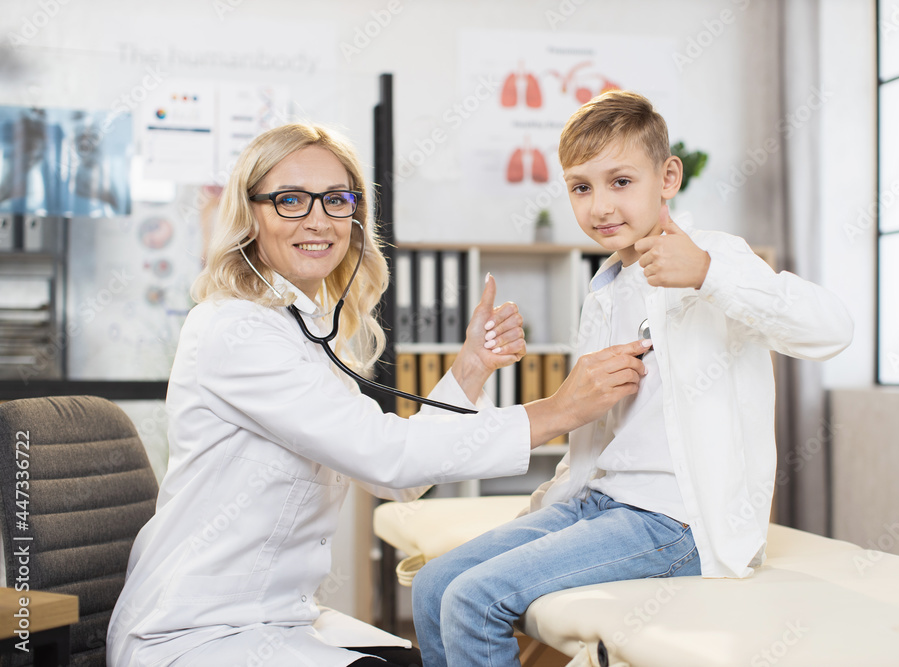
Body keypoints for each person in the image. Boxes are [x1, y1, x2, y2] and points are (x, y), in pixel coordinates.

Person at [106, 123, 651, 667]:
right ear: (250, 215)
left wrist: (470, 369)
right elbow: (387, 456)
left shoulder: (305, 329)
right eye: (290, 200)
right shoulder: (234, 331)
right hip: (194, 634)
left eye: (336, 200)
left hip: (275, 621)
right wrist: (559, 410)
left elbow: (400, 481)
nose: (318, 220)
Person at [412, 90, 854, 666]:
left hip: (673, 520)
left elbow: (831, 329)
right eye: (581, 187)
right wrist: (541, 521)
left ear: (668, 176)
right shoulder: (605, 289)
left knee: (474, 600)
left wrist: (708, 274)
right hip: (598, 504)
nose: (600, 206)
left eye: (620, 181)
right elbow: (592, 442)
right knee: (432, 586)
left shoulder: (717, 256)